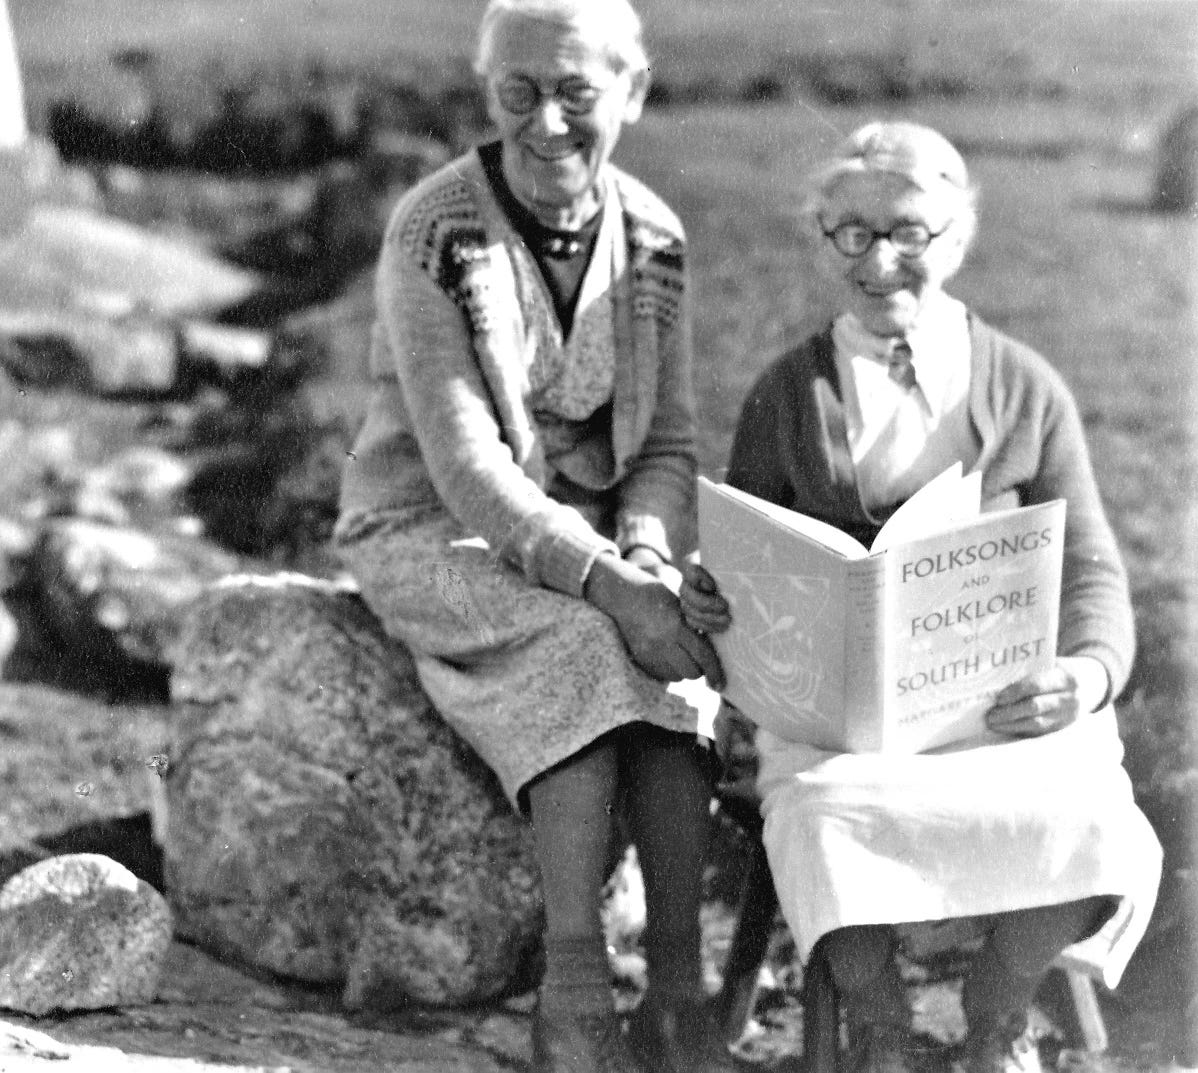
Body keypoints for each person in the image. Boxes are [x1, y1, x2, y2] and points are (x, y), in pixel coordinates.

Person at [680, 121, 1162, 1073]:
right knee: (821, 818)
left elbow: (1096, 566)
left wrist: (1085, 675)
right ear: (825, 241)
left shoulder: (1026, 387)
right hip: (843, 728)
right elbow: (746, 561)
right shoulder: (785, 395)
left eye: (910, 232)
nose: (881, 261)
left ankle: (1001, 1003)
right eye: (851, 233)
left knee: (1100, 821)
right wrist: (716, 595)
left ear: (959, 235)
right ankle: (880, 1022)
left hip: (1001, 709)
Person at [333, 2, 735, 1071]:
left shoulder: (653, 236)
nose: (545, 122)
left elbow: (667, 441)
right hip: (428, 527)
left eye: (576, 92)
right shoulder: (435, 229)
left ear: (632, 95)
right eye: (517, 91)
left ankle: (680, 995)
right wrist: (609, 584)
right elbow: (467, 468)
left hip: (601, 545)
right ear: (486, 93)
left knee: (692, 665)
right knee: (585, 645)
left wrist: (649, 555)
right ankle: (574, 993)